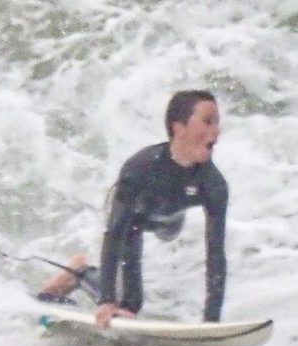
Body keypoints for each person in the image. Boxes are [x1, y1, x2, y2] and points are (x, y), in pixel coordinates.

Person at [38, 90, 229, 326]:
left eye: (217, 122)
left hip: (168, 220)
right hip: (130, 217)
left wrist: (211, 321)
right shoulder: (141, 168)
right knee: (130, 303)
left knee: (167, 234)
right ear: (179, 128)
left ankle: (97, 280)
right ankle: (80, 272)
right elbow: (115, 234)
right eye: (208, 121)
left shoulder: (214, 185)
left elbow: (216, 255)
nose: (216, 131)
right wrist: (107, 301)